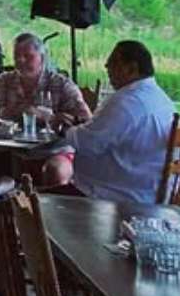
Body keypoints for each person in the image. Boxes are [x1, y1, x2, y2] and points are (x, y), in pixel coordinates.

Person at [64, 40, 174, 204]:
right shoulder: (161, 99)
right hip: (147, 192)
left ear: (131, 69)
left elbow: (88, 144)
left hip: (117, 196)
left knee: (33, 203)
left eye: (113, 62)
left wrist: (66, 130)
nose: (106, 66)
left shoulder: (126, 102)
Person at [0, 33, 92, 186]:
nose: (21, 60)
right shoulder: (3, 81)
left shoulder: (61, 84)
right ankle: (5, 202)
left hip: (54, 150)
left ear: (42, 58)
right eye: (17, 56)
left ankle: (53, 202)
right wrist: (6, 112)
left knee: (55, 170)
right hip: (10, 150)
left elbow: (86, 120)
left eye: (28, 56)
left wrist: (52, 117)